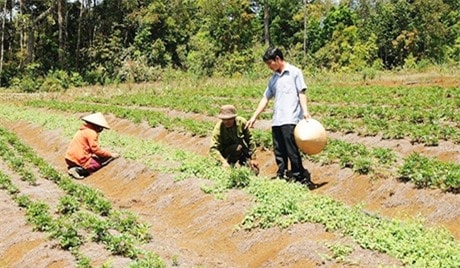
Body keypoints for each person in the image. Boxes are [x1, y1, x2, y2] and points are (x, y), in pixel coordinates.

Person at [246, 47, 313, 185]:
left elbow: (301, 92)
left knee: (291, 149)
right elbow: (265, 98)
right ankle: (282, 174)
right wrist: (254, 116)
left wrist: (305, 111)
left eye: (270, 63)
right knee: (279, 150)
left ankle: (299, 176)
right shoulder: (273, 79)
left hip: (291, 118)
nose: (269, 67)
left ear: (277, 59)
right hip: (277, 120)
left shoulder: (294, 72)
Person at [65, 112, 119, 179]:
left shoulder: (83, 130)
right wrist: (110, 154)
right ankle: (77, 170)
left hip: (70, 157)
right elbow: (96, 150)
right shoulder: (91, 133)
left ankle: (75, 167)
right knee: (96, 164)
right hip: (79, 158)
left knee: (97, 159)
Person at [209, 104, 259, 174]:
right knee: (237, 148)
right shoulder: (218, 128)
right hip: (225, 153)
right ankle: (229, 165)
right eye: (224, 119)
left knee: (254, 170)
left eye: (229, 119)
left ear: (234, 118)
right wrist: (223, 162)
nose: (226, 122)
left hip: (242, 151)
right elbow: (213, 149)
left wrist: (253, 158)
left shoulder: (242, 122)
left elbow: (250, 139)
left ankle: (243, 166)